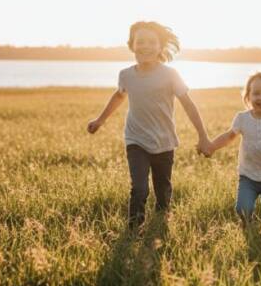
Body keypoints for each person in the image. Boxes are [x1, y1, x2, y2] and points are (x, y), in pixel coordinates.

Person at [87, 21, 211, 229]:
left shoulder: (170, 75)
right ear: (132, 45)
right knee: (140, 188)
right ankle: (134, 229)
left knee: (162, 189)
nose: (145, 46)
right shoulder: (126, 75)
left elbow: (188, 105)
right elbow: (119, 96)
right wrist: (100, 120)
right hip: (136, 140)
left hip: (164, 141)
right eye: (140, 41)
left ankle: (161, 222)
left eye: (152, 42)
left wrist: (203, 136)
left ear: (160, 47)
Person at [206, 71, 261, 231]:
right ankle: (248, 229)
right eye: (256, 93)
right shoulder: (242, 118)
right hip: (248, 176)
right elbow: (229, 136)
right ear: (248, 97)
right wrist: (212, 146)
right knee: (243, 208)